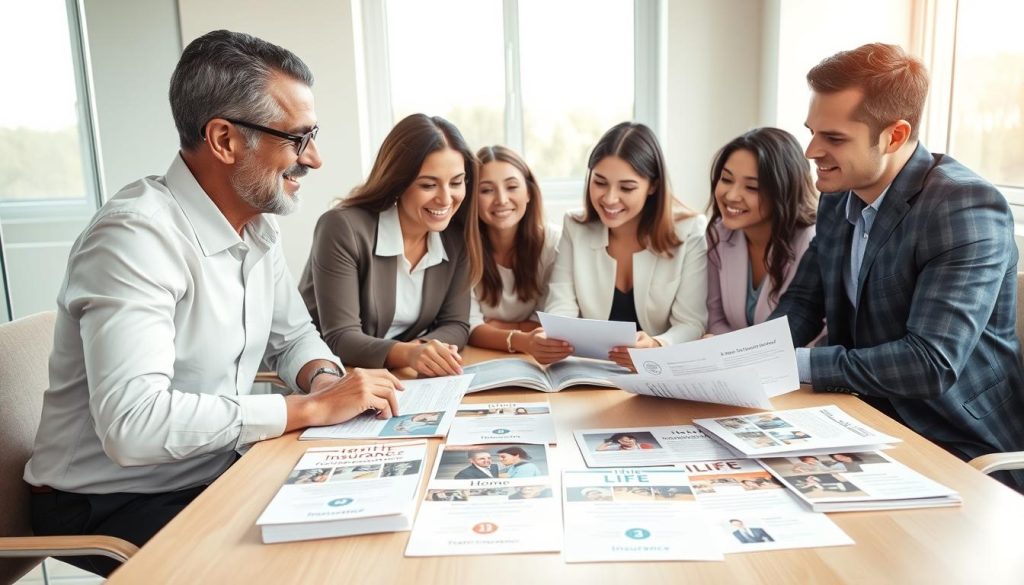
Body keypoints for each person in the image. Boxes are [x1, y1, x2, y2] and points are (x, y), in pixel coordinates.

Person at [22, 30, 403, 578]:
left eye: (312, 135)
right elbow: (133, 424)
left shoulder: (255, 228)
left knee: (369, 527)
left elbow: (292, 337)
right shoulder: (135, 238)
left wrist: (322, 381)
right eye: (297, 138)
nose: (314, 159)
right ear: (224, 139)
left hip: (211, 469)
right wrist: (308, 409)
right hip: (111, 501)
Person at [769, 43, 1024, 490]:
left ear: (895, 135)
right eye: (812, 131)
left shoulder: (964, 206)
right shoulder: (837, 195)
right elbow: (803, 304)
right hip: (862, 420)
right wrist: (733, 361)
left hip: (958, 443)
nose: (810, 150)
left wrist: (798, 365)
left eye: (834, 138)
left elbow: (929, 363)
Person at [299, 113, 483, 377]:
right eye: (429, 185)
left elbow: (456, 324)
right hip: (328, 376)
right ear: (398, 182)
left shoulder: (455, 239)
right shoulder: (342, 228)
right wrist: (411, 354)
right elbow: (341, 336)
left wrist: (423, 352)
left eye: (456, 183)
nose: (445, 199)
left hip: (399, 376)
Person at [545, 122, 709, 369]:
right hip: (589, 372)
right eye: (599, 182)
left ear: (653, 186)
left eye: (627, 187)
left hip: (659, 372)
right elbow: (561, 308)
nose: (609, 198)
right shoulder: (575, 226)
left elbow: (691, 322)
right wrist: (553, 343)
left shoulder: (690, 230)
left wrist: (655, 345)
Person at [706, 128, 820, 336]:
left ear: (783, 191)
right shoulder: (719, 233)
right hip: (732, 365)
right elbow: (715, 318)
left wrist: (735, 353)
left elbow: (813, 333)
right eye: (726, 179)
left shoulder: (811, 241)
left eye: (752, 187)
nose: (731, 195)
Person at [467, 146, 567, 362]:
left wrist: (495, 327)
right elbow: (470, 327)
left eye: (512, 187)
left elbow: (550, 321)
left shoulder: (554, 242)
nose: (501, 200)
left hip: (536, 358)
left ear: (529, 192)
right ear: (472, 198)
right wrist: (522, 337)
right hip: (481, 358)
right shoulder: (463, 248)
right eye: (486, 190)